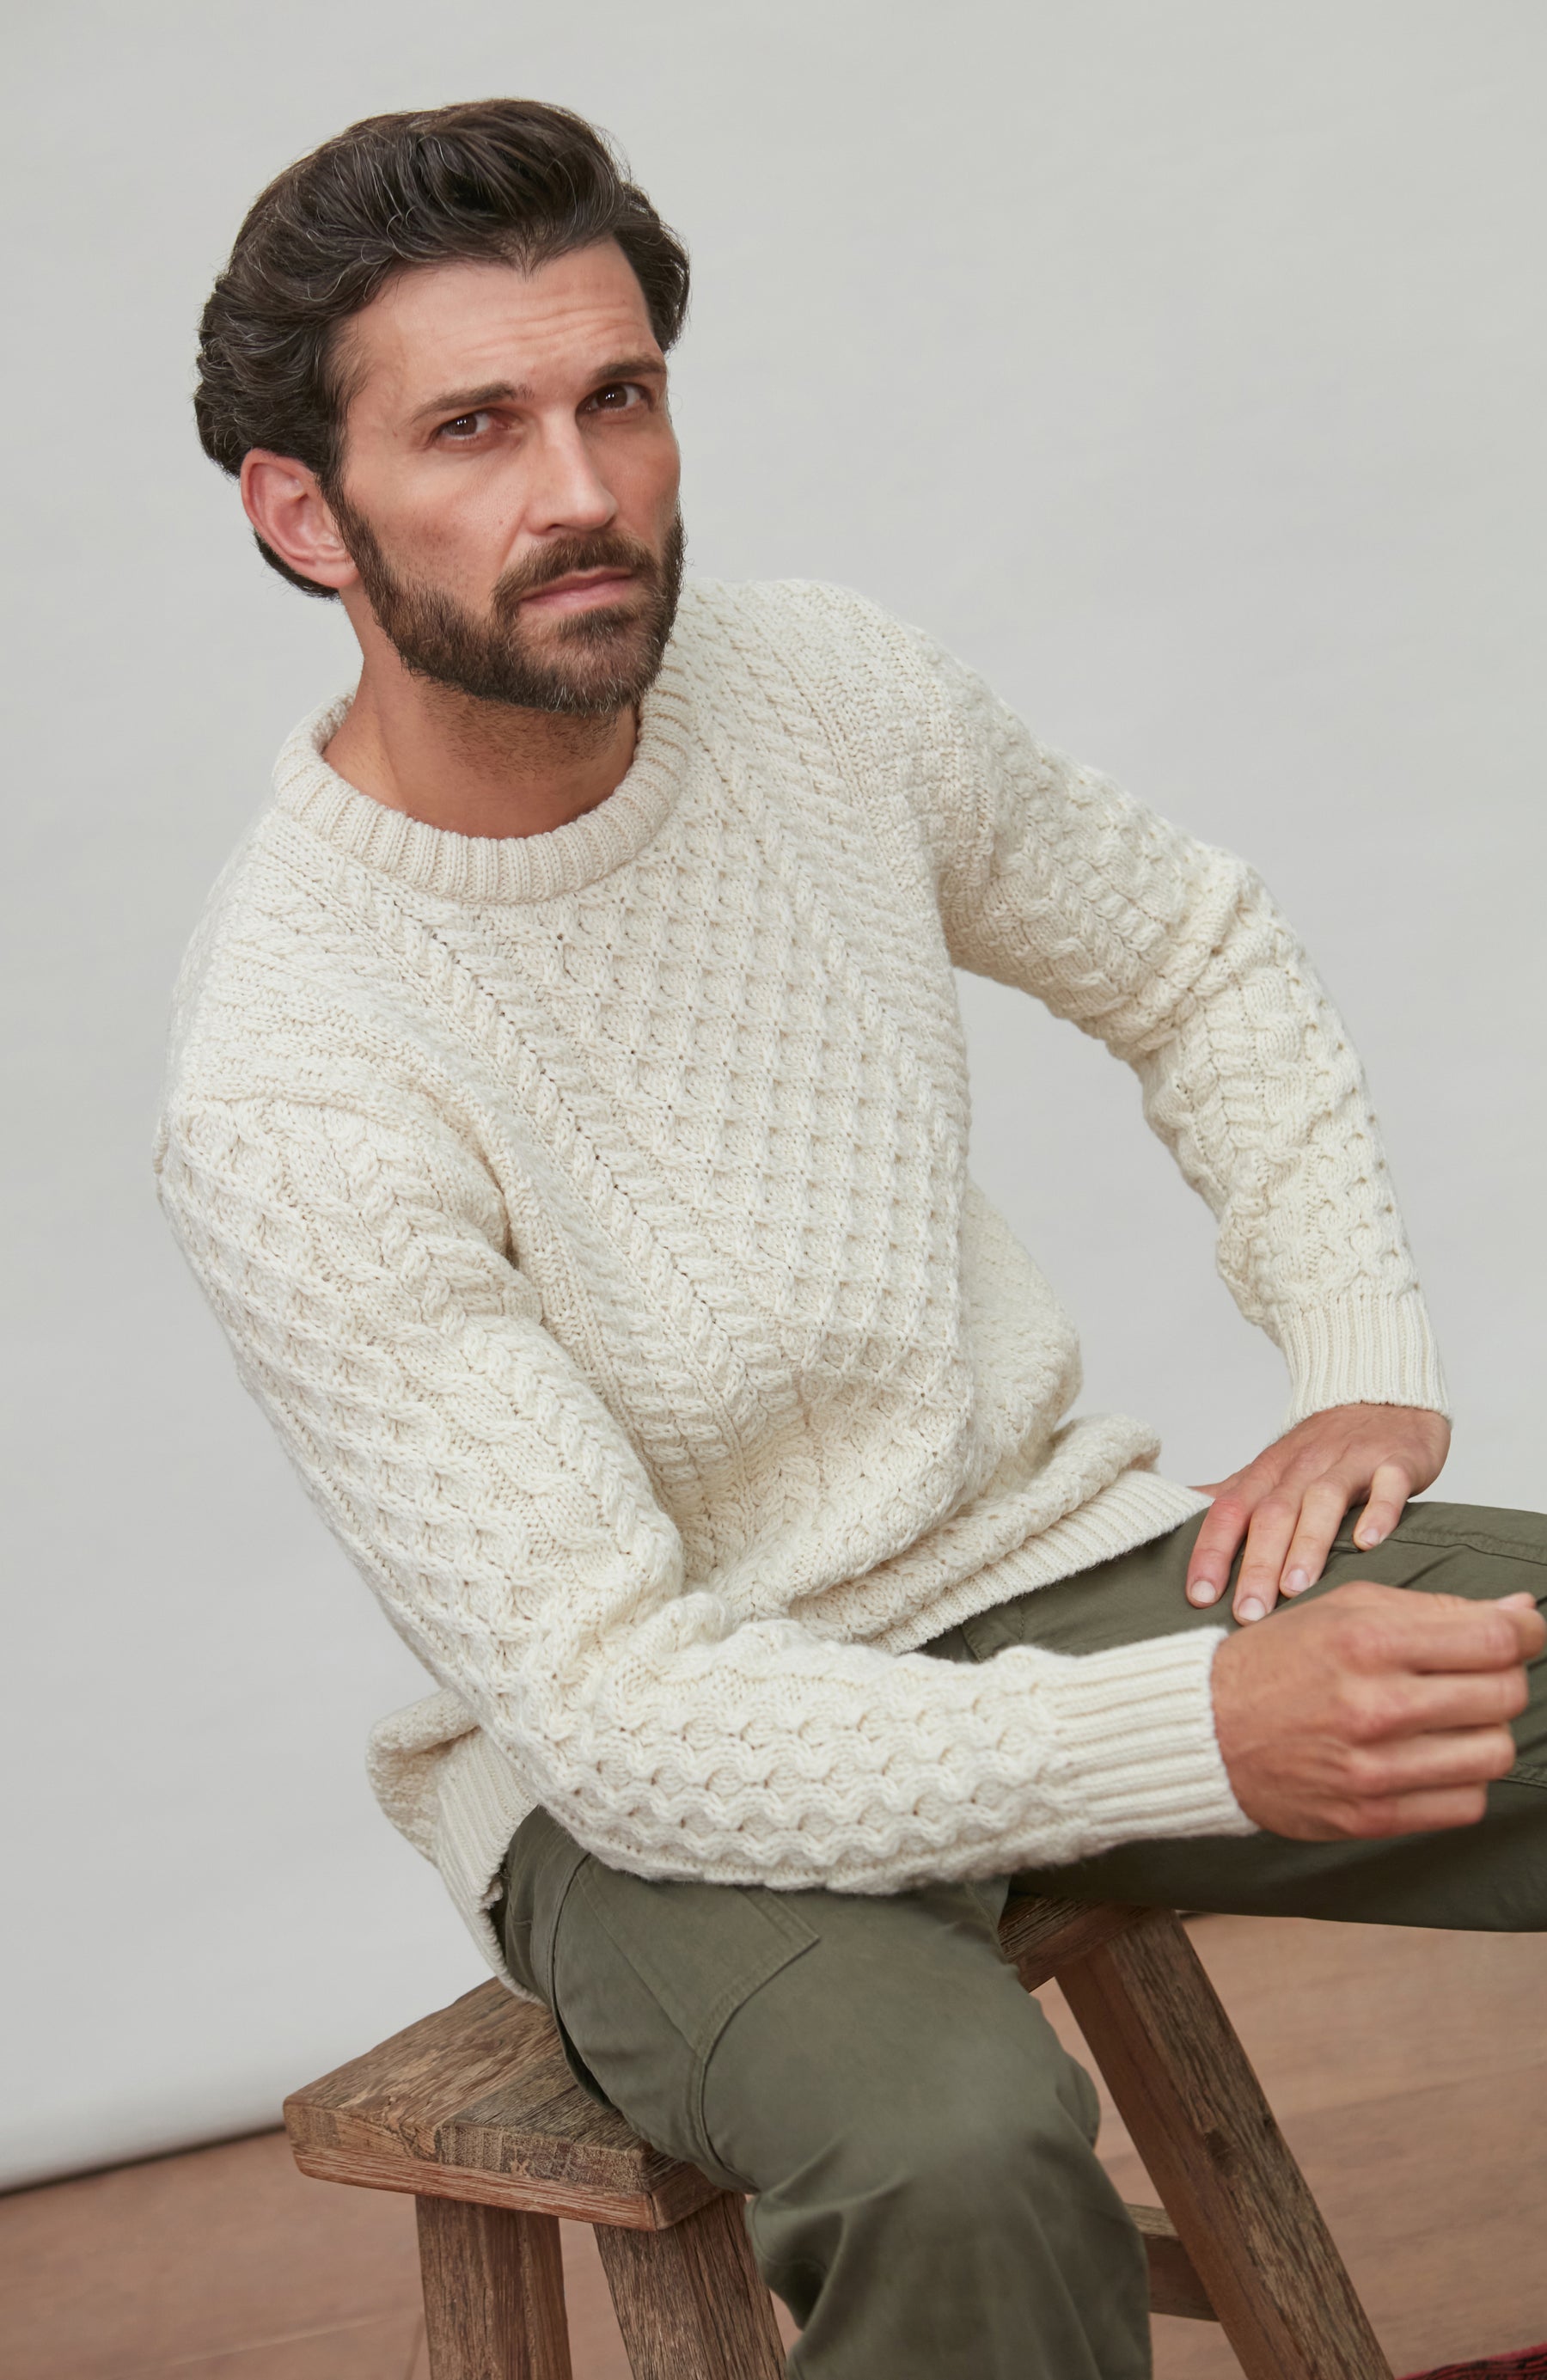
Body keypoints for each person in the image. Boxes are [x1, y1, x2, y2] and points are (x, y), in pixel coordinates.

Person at [157, 98, 1545, 2378]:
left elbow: (1191, 950)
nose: (584, 488)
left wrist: (1359, 1342)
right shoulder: (291, 1069)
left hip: (1034, 1557)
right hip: (654, 1768)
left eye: (620, 397)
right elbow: (623, 1713)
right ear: (303, 514)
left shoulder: (824, 690)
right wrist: (1196, 1728)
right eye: (475, 428)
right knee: (953, 2153)